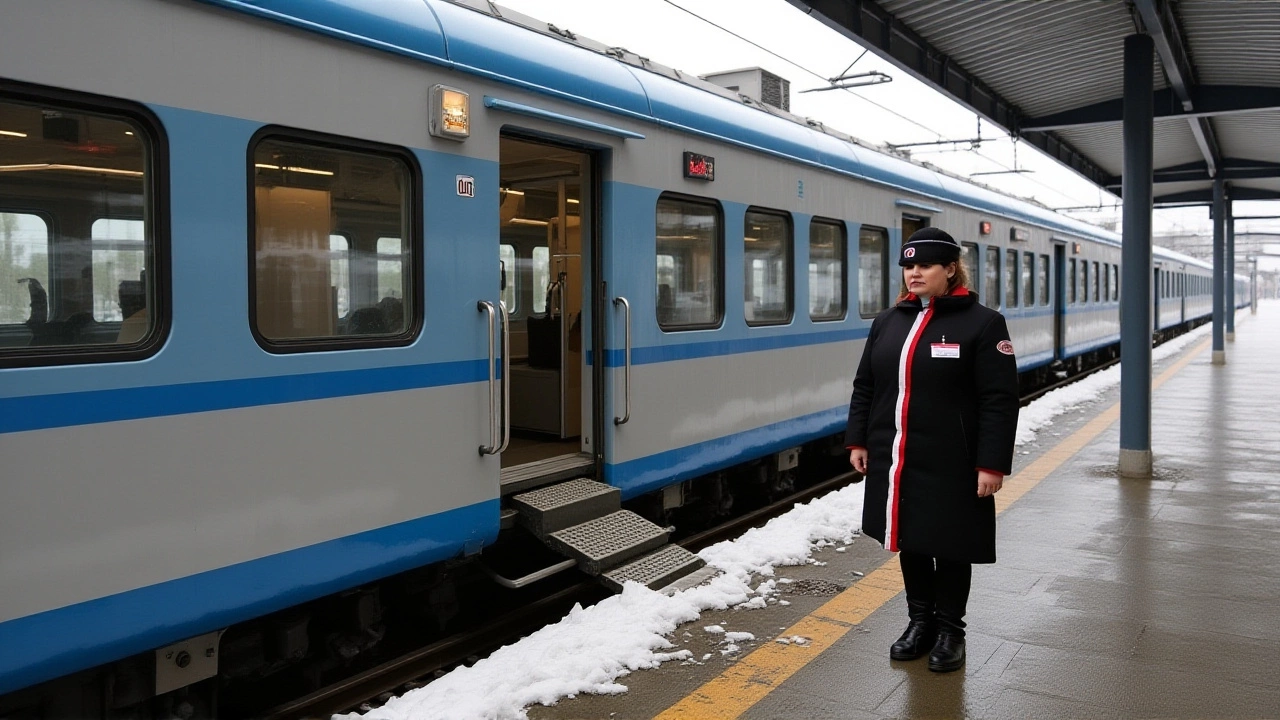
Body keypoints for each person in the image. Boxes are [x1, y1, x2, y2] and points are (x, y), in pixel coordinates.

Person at [845, 226, 1019, 673]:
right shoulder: (887, 321)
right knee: (912, 540)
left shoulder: (983, 323)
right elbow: (866, 386)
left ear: (951, 269)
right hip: (899, 455)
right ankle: (919, 623)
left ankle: (950, 632)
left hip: (954, 459)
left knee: (951, 544)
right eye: (908, 266)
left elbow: (999, 399)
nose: (914, 273)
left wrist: (991, 463)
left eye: (925, 265)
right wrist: (858, 439)